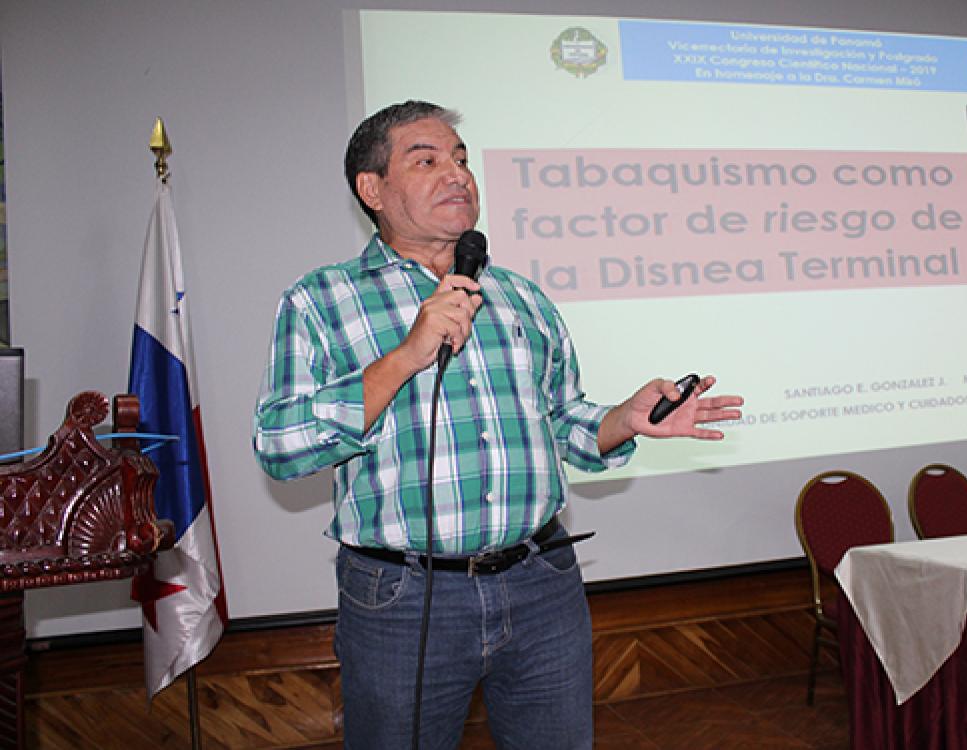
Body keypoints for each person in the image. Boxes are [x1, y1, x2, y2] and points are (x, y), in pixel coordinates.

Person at [252, 101, 743, 749]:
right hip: (404, 598)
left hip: (543, 584)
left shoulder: (519, 296)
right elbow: (282, 448)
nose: (457, 173)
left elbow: (565, 422)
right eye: (426, 160)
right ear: (372, 189)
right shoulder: (321, 300)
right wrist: (405, 356)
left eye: (460, 158)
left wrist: (625, 420)